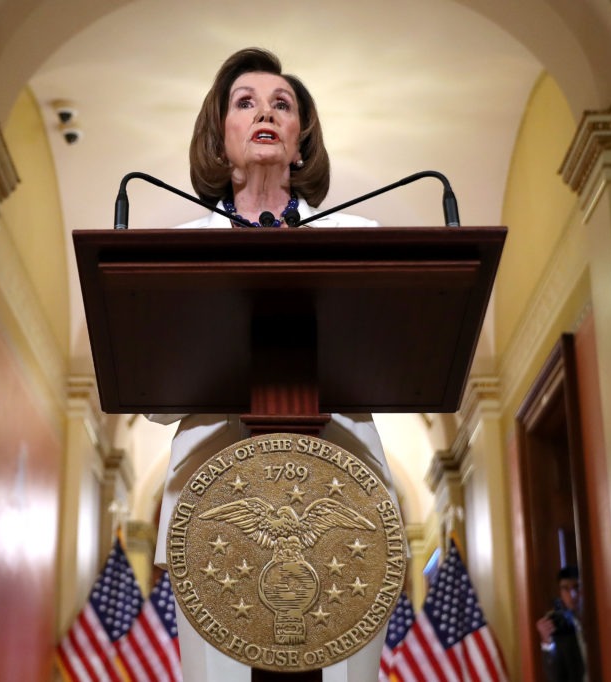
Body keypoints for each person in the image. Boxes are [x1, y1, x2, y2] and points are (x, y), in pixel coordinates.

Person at [146, 47, 398, 682]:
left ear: (300, 141)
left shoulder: (360, 237)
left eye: (282, 105)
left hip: (346, 504)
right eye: (246, 102)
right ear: (221, 136)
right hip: (215, 515)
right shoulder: (172, 252)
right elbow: (153, 398)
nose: (265, 112)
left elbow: (394, 360)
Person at [536, 565, 586, 682]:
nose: (572, 595)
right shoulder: (560, 625)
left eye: (576, 587)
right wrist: (546, 642)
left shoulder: (599, 620)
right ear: (560, 592)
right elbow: (554, 676)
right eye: (566, 589)